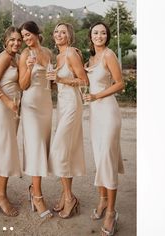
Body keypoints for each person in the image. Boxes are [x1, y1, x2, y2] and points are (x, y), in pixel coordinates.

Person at [84, 21, 125, 236]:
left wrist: (96, 96)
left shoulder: (109, 54)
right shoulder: (90, 59)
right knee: (99, 160)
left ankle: (111, 212)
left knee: (107, 161)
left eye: (102, 32)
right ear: (90, 36)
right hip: (94, 115)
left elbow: (120, 83)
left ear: (107, 36)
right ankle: (102, 201)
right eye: (95, 32)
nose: (99, 35)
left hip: (108, 112)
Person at [47, 22, 89, 219]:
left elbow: (83, 81)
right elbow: (59, 83)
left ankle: (69, 198)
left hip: (72, 104)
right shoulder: (57, 56)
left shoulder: (71, 53)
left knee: (59, 149)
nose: (58, 34)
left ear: (69, 36)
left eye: (62, 32)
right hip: (61, 105)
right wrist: (52, 83)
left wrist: (61, 80)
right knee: (67, 151)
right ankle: (67, 196)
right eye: (56, 31)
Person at [18, 21, 53, 219]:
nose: (25, 39)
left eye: (27, 35)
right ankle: (37, 196)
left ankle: (34, 188)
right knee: (36, 147)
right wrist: (30, 69)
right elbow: (22, 85)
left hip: (46, 104)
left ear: (36, 33)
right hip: (30, 105)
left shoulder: (48, 52)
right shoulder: (25, 55)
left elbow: (52, 79)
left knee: (44, 147)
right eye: (23, 36)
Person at [0, 26, 23, 217]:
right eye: (12, 40)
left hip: (12, 109)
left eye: (19, 40)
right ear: (5, 41)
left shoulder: (16, 58)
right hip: (3, 108)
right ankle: (1, 195)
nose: (16, 43)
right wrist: (7, 100)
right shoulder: (4, 57)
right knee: (6, 150)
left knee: (5, 149)